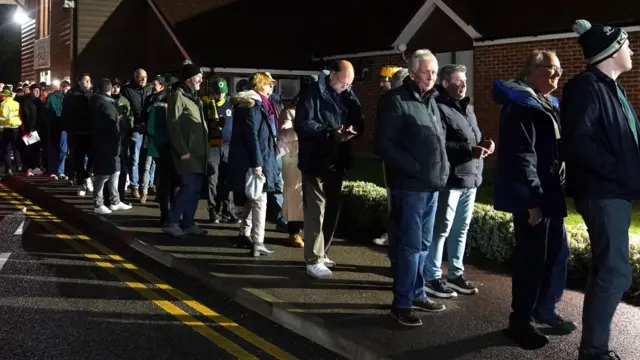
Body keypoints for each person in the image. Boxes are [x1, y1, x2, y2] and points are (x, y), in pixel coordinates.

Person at [562, 20, 638, 360]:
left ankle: (593, 348)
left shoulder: (612, 88)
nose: (633, 50)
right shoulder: (585, 88)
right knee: (616, 272)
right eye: (627, 45)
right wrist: (621, 174)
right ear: (611, 51)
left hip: (615, 192)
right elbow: (578, 142)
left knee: (609, 270)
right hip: (603, 193)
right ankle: (593, 351)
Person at [493, 50, 574, 350]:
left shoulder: (547, 103)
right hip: (535, 197)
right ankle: (520, 322)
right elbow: (521, 155)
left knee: (557, 254)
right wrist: (532, 200)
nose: (557, 74)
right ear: (531, 70)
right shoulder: (521, 105)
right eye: (550, 69)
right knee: (531, 261)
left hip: (551, 193)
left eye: (559, 69)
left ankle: (544, 309)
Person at [374, 49, 449, 326]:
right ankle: (401, 303)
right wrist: (416, 169)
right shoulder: (395, 101)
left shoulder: (431, 101)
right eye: (427, 71)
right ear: (414, 72)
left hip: (431, 186)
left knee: (423, 244)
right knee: (409, 245)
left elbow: (437, 141)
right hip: (409, 187)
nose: (432, 76)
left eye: (434, 72)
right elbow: (383, 145)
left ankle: (417, 293)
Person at [424, 64, 491, 299]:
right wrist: (468, 150)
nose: (463, 85)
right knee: (441, 229)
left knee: (460, 229)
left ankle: (455, 274)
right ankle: (431, 276)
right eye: (458, 81)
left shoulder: (468, 109)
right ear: (445, 84)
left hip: (471, 179)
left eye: (464, 81)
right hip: (451, 180)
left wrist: (485, 143)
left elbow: (477, 136)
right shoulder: (438, 108)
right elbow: (438, 146)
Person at [295, 60, 364, 279]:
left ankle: (322, 252)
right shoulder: (311, 91)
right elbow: (303, 124)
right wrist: (329, 132)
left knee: (332, 208)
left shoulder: (348, 93)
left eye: (349, 85)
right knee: (316, 209)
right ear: (332, 75)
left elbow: (359, 118)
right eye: (343, 83)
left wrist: (353, 129)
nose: (345, 88)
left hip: (337, 158)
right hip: (315, 158)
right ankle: (313, 259)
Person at [227, 72, 279, 256]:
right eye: (269, 84)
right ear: (260, 85)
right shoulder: (253, 106)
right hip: (256, 159)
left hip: (260, 156)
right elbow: (252, 136)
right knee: (260, 200)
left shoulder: (258, 104)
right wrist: (257, 162)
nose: (272, 87)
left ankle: (244, 232)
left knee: (253, 196)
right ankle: (258, 241)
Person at [163, 61, 208, 238]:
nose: (201, 80)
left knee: (195, 189)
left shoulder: (193, 97)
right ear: (189, 79)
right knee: (187, 187)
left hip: (199, 152)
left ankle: (188, 222)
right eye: (199, 77)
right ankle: (171, 222)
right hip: (187, 153)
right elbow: (173, 125)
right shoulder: (178, 96)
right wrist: (182, 150)